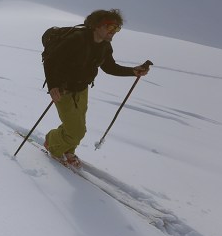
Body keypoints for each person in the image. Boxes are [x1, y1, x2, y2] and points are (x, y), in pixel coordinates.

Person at [43, 9, 150, 167]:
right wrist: (53, 86)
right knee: (76, 131)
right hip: (63, 90)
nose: (114, 32)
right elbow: (51, 61)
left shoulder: (105, 46)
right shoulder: (76, 39)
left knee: (78, 125)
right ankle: (52, 144)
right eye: (110, 27)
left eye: (117, 28)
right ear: (96, 25)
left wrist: (132, 72)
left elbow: (109, 67)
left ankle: (68, 150)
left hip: (82, 89)